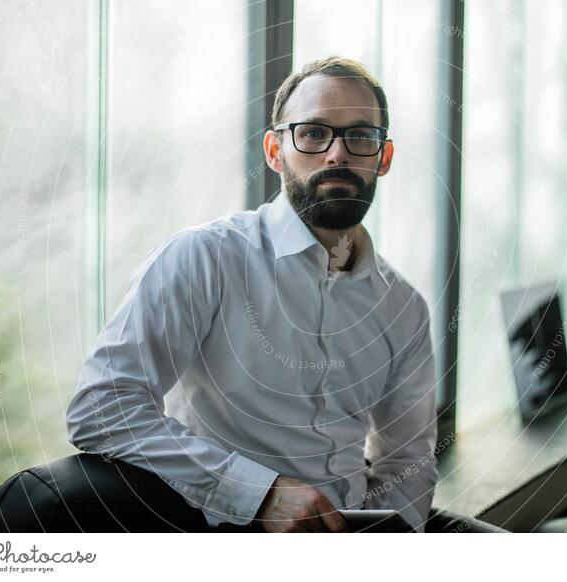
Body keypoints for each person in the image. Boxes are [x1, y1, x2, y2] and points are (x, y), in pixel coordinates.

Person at [66, 56, 467, 533]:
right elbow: (101, 407)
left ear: (383, 158)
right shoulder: (204, 259)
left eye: (360, 136)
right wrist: (257, 492)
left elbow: (408, 461)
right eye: (314, 134)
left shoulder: (404, 307)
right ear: (275, 152)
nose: (337, 154)